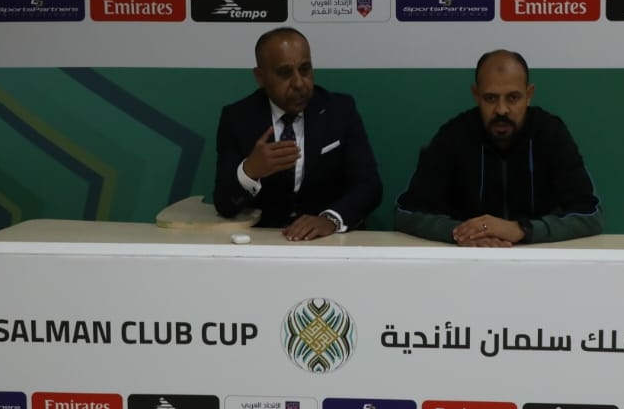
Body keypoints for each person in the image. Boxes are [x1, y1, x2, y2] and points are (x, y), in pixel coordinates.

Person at [394, 49, 602, 246]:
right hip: (467, 258)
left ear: (529, 94)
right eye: (490, 98)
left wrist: (522, 230)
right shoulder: (454, 135)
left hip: (539, 258)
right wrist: (462, 232)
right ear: (476, 95)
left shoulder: (550, 133)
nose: (501, 110)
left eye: (513, 98)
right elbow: (406, 213)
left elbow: (590, 216)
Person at [213, 27, 383, 240]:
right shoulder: (238, 118)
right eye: (285, 73)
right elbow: (224, 204)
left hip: (330, 240)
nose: (299, 83)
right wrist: (250, 171)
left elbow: (369, 186)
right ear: (260, 77)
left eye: (305, 69)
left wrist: (331, 219)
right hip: (265, 241)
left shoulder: (339, 110)